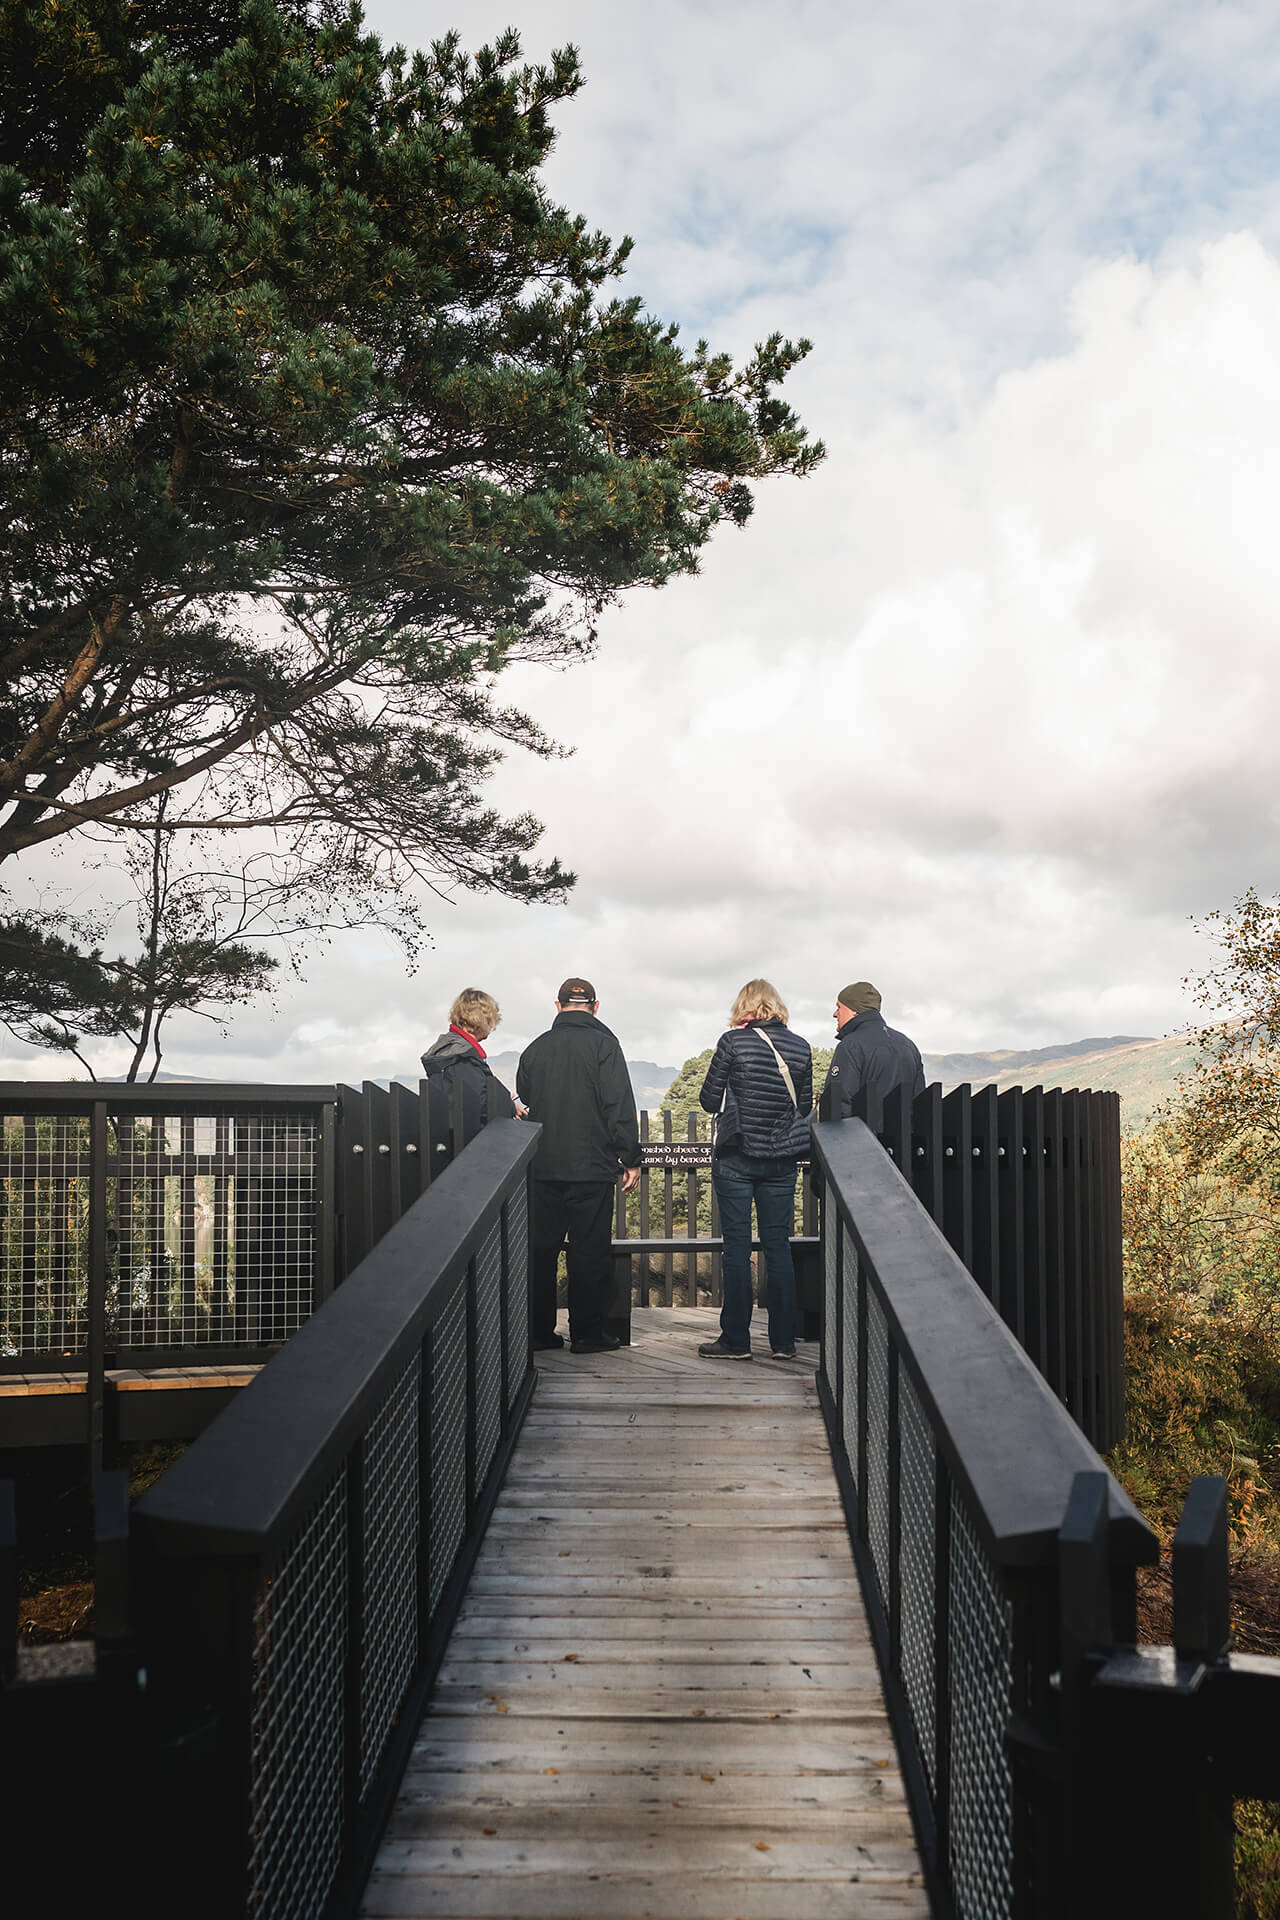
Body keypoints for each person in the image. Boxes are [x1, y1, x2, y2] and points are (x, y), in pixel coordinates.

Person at [516, 977, 642, 1355]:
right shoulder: (605, 1046)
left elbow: (525, 1094)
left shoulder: (535, 1049)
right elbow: (617, 1105)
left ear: (557, 1007)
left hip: (543, 1167)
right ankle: (587, 1334)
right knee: (589, 1252)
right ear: (595, 1007)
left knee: (540, 1251)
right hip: (591, 1167)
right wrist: (630, 1158)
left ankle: (539, 1332)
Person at [696, 978, 812, 1361]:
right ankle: (783, 1342)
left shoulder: (732, 1042)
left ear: (744, 1007)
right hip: (781, 1160)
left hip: (738, 1156)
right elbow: (805, 1105)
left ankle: (736, 1341)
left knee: (737, 1247)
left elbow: (709, 1099)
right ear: (776, 1006)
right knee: (778, 1246)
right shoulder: (800, 1047)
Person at [421, 989, 516, 1170]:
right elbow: (477, 1100)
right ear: (482, 1019)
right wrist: (507, 1104)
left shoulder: (445, 1052)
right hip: (470, 1149)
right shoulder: (463, 1057)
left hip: (445, 1144)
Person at [819, 981, 925, 1117]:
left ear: (854, 1010)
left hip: (863, 1136)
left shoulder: (851, 1045)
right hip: (904, 1136)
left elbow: (836, 1104)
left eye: (839, 1007)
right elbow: (920, 1101)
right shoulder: (908, 1045)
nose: (835, 1014)